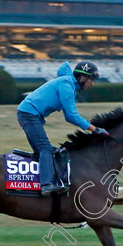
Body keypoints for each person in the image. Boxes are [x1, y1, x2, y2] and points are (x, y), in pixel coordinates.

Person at [17, 61, 108, 196]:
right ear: (82, 78)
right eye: (91, 79)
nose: (92, 83)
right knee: (45, 149)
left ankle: (40, 181)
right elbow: (71, 116)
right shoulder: (67, 86)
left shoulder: (68, 83)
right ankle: (47, 185)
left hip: (29, 114)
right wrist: (94, 129)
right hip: (29, 114)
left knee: (45, 151)